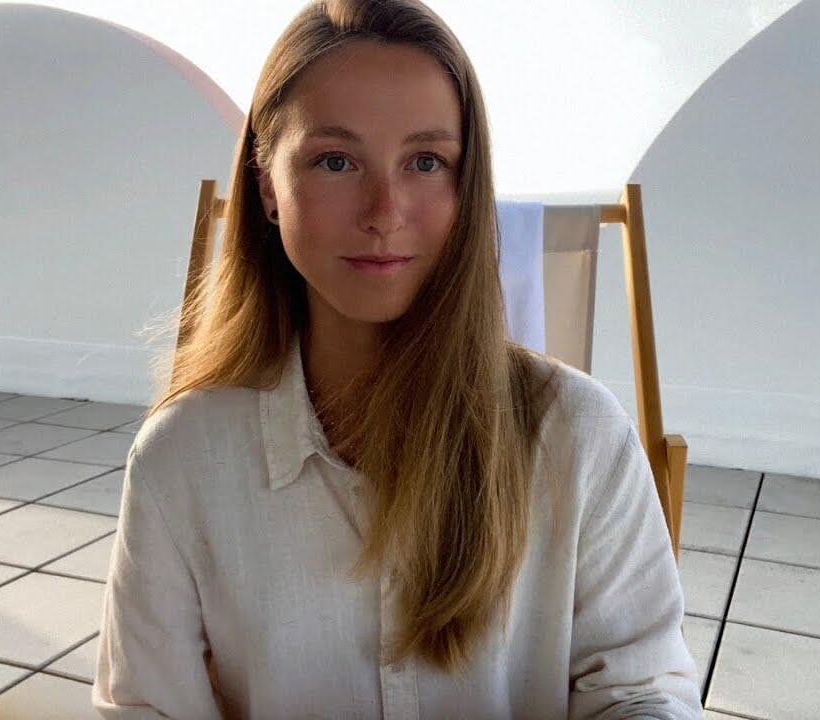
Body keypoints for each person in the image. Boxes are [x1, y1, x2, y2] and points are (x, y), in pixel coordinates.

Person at [92, 0, 703, 717]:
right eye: (335, 160)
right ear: (266, 185)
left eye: (425, 161)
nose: (384, 212)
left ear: (466, 185)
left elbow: (640, 688)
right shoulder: (182, 459)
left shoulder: (579, 435)